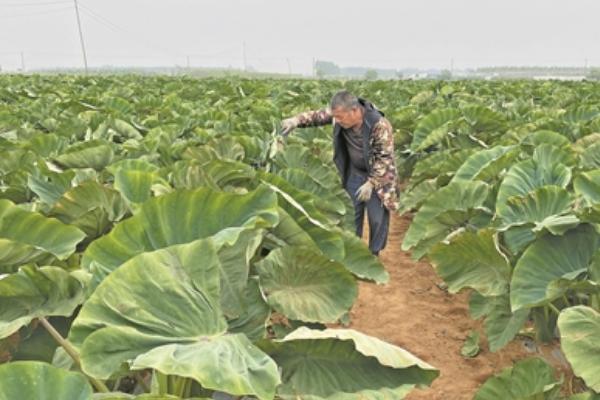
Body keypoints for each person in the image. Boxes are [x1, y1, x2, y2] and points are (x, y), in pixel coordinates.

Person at [280, 90, 398, 256]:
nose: (338, 120)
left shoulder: (379, 125)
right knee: (351, 214)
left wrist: (372, 182)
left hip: (378, 175)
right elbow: (317, 116)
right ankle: (353, 251)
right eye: (336, 117)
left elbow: (384, 158)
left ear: (355, 111)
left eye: (341, 117)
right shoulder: (340, 114)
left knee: (377, 218)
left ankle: (374, 253)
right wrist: (296, 120)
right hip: (355, 172)